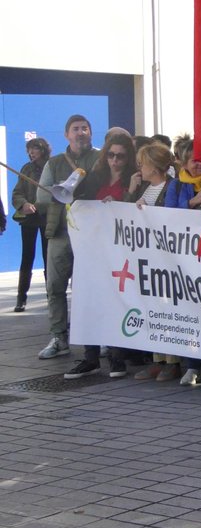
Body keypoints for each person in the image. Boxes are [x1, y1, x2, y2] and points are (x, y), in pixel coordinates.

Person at [62, 133, 137, 380]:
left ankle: (117, 357)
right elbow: (79, 201)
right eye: (111, 155)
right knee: (88, 298)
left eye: (121, 156)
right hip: (93, 248)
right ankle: (90, 356)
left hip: (119, 250)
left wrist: (121, 199)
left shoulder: (132, 179)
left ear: (129, 158)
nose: (115, 161)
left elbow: (136, 210)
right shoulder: (95, 177)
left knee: (115, 299)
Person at [36, 115, 100, 359]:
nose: (81, 132)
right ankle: (59, 337)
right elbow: (41, 199)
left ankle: (98, 336)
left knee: (93, 287)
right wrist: (58, 191)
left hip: (94, 234)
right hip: (61, 232)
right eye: (76, 129)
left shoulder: (100, 158)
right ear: (66, 135)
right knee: (55, 286)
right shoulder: (53, 164)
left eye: (85, 128)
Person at [165, 137, 201, 387]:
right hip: (188, 259)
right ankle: (193, 364)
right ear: (183, 161)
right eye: (194, 160)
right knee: (192, 309)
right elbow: (167, 216)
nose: (199, 164)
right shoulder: (177, 186)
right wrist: (193, 202)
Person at [129, 143, 184, 382]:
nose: (140, 167)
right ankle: (158, 359)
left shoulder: (173, 186)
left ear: (155, 166)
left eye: (143, 163)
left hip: (168, 259)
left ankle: (173, 361)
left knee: (169, 308)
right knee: (152, 308)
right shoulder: (144, 189)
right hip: (148, 259)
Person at [12, 137, 50, 312]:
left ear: (42, 149)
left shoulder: (52, 166)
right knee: (27, 257)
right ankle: (21, 298)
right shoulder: (26, 169)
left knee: (48, 258)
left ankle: (52, 296)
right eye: (29, 150)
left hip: (48, 218)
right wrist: (24, 204)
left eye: (33, 149)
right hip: (29, 220)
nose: (30, 153)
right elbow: (17, 193)